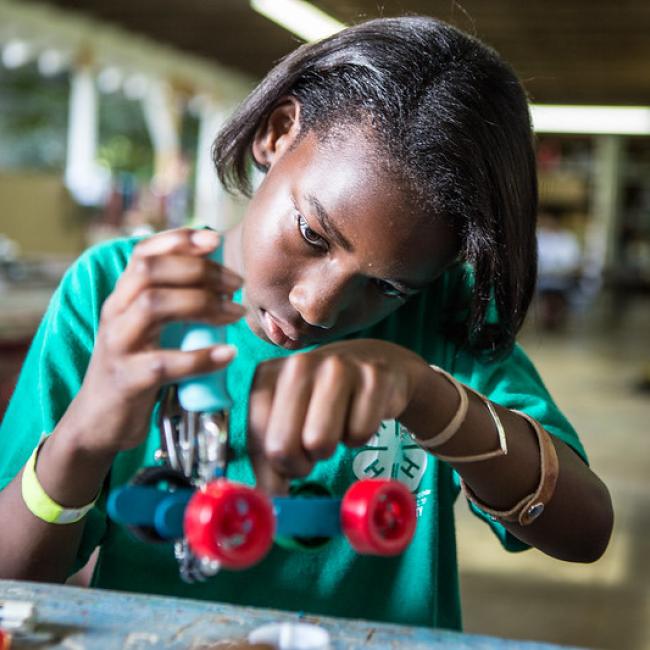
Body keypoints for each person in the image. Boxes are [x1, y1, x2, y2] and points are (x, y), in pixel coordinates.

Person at [0, 16, 612, 631]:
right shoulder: (121, 294)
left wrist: (428, 397)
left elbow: (584, 532)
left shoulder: (443, 316)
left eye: (388, 287)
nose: (319, 307)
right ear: (278, 133)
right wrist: (83, 435)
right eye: (313, 233)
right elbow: (12, 581)